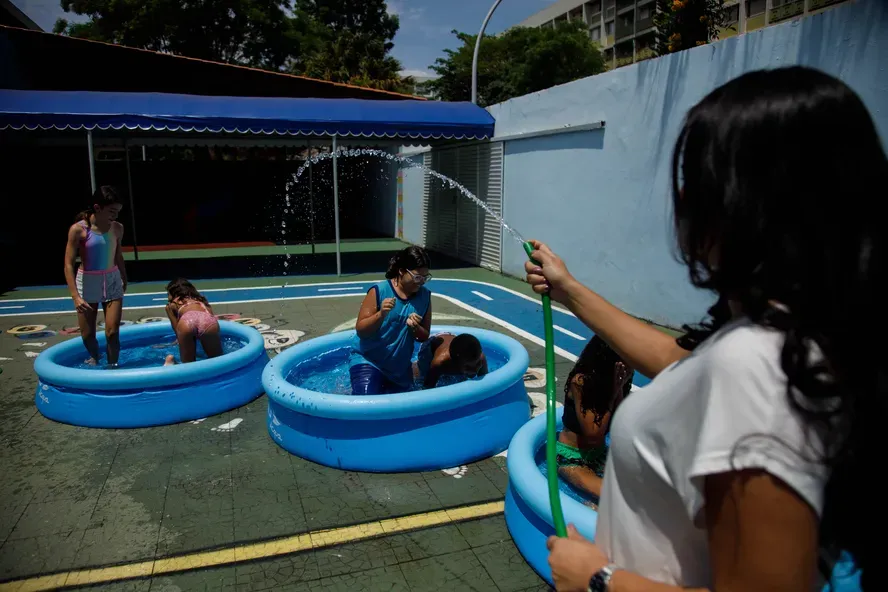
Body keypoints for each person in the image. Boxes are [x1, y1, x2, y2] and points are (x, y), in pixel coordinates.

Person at [527, 67, 879, 591]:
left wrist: (598, 578)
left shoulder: (756, 365)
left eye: (698, 178)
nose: (683, 198)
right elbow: (682, 365)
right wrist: (569, 289)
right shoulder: (783, 338)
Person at [557, 336, 633, 503]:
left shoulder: (618, 378)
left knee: (637, 488)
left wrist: (620, 389)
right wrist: (613, 394)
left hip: (600, 454)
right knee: (615, 497)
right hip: (571, 457)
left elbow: (619, 423)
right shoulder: (581, 382)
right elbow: (593, 436)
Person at [351, 246, 432, 394]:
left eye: (425, 278)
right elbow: (361, 331)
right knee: (366, 403)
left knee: (404, 411)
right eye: (417, 277)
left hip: (399, 369)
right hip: (369, 361)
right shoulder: (379, 291)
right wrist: (381, 314)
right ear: (401, 271)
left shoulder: (425, 296)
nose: (420, 282)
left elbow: (424, 336)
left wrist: (415, 328)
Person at [63, 186, 128, 367]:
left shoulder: (117, 228)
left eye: (118, 211)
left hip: (112, 280)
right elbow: (68, 264)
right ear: (98, 208)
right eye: (112, 211)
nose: (115, 216)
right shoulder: (79, 230)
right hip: (87, 283)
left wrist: (124, 277)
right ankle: (97, 359)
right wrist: (75, 296)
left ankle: (112, 368)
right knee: (87, 335)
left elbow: (117, 255)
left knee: (112, 332)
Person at [163, 278, 223, 365]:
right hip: (206, 320)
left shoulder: (172, 305)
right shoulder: (201, 300)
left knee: (188, 365)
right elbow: (211, 317)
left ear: (172, 293)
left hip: (187, 322)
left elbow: (177, 330)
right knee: (218, 361)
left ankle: (171, 361)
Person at [415, 332, 488, 389]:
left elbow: (485, 383)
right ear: (454, 363)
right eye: (468, 367)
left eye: (478, 364)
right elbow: (428, 388)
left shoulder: (480, 358)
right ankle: (414, 366)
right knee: (423, 375)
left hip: (454, 341)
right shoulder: (439, 363)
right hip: (431, 346)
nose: (475, 370)